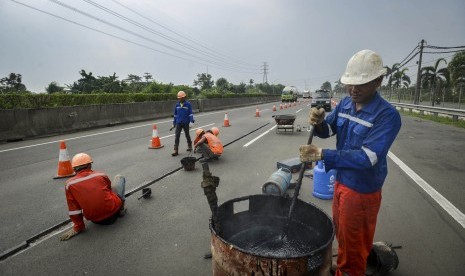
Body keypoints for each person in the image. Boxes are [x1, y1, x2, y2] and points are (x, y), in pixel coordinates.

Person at [299, 49, 401, 275]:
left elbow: (368, 158)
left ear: (378, 81)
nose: (353, 89)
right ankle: (343, 266)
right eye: (350, 83)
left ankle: (349, 270)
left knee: (354, 246)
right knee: (342, 233)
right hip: (342, 181)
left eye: (361, 84)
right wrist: (317, 123)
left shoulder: (387, 116)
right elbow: (328, 130)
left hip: (362, 190)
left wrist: (322, 154)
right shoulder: (345, 104)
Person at [60, 153, 126, 241]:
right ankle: (121, 210)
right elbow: (109, 189)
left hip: (96, 220)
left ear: (74, 169)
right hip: (114, 212)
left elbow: (74, 209)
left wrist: (78, 227)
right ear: (89, 165)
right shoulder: (101, 175)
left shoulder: (69, 184)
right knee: (119, 177)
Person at [172, 91, 195, 156]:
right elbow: (175, 115)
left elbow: (190, 113)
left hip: (186, 122)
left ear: (184, 97)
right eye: (179, 98)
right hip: (178, 123)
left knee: (187, 135)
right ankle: (175, 150)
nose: (180, 99)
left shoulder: (188, 104)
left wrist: (191, 121)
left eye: (181, 97)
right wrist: (174, 123)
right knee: (177, 136)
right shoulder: (177, 105)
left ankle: (189, 145)